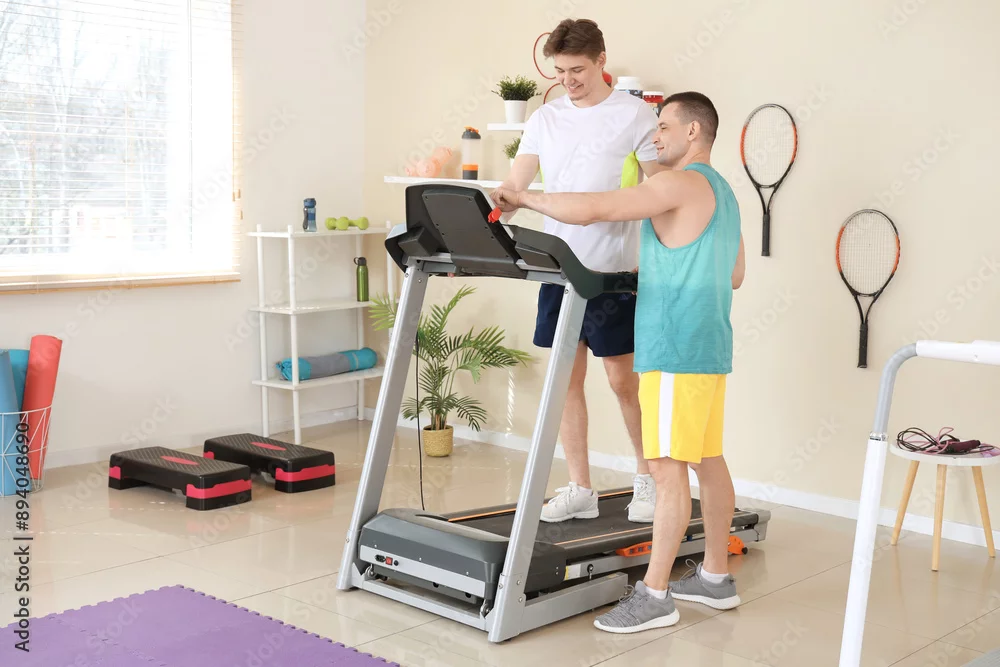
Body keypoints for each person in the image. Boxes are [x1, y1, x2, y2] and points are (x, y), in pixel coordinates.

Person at [493, 91, 747, 633]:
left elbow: (596, 209)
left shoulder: (676, 183)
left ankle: (654, 595)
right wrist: (668, 268)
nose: (656, 135)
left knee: (667, 469)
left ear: (694, 132)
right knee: (707, 459)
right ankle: (715, 577)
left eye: (665, 126)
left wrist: (523, 197)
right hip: (708, 346)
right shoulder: (723, 192)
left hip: (674, 348)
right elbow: (734, 274)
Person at [495, 19, 666, 524]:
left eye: (577, 70)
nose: (568, 80)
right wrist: (500, 203)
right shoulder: (545, 119)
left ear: (600, 61)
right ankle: (581, 488)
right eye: (561, 71)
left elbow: (661, 192)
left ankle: (649, 479)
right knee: (566, 384)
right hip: (559, 269)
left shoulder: (636, 115)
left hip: (614, 272)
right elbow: (516, 184)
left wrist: (660, 256)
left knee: (623, 382)